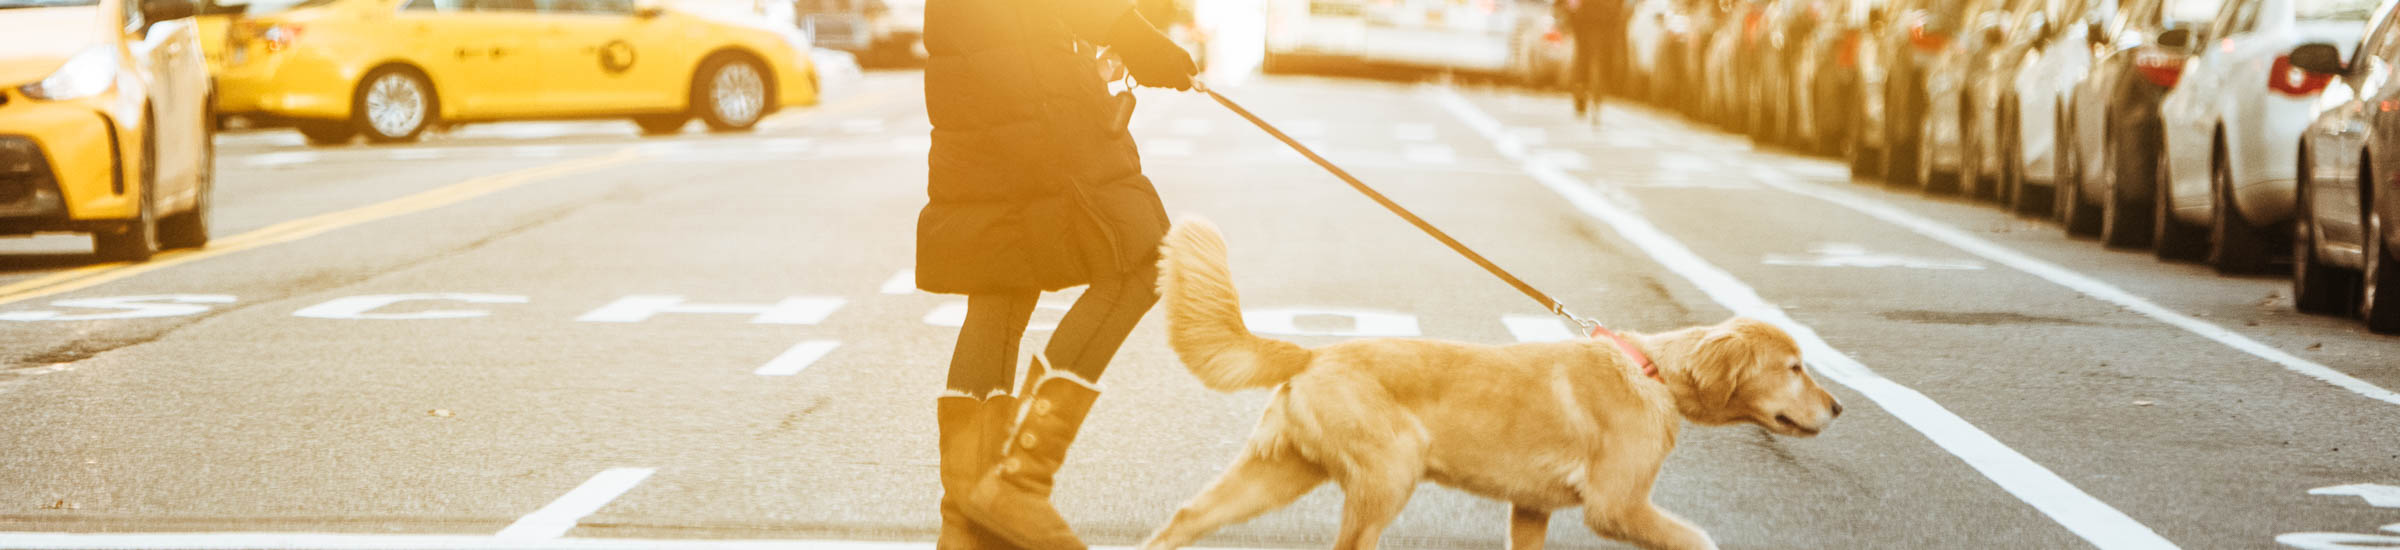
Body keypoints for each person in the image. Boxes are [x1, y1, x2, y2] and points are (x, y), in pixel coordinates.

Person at [915, 0, 1196, 547]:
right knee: (1143, 259)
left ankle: (969, 519)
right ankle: (1017, 480)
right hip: (1034, 98)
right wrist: (1142, 43)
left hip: (980, 93)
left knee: (1002, 286)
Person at [1562, 0, 1624, 119]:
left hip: (1594, 19)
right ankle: (1584, 91)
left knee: (1585, 57)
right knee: (1591, 57)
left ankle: (1583, 91)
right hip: (1597, 19)